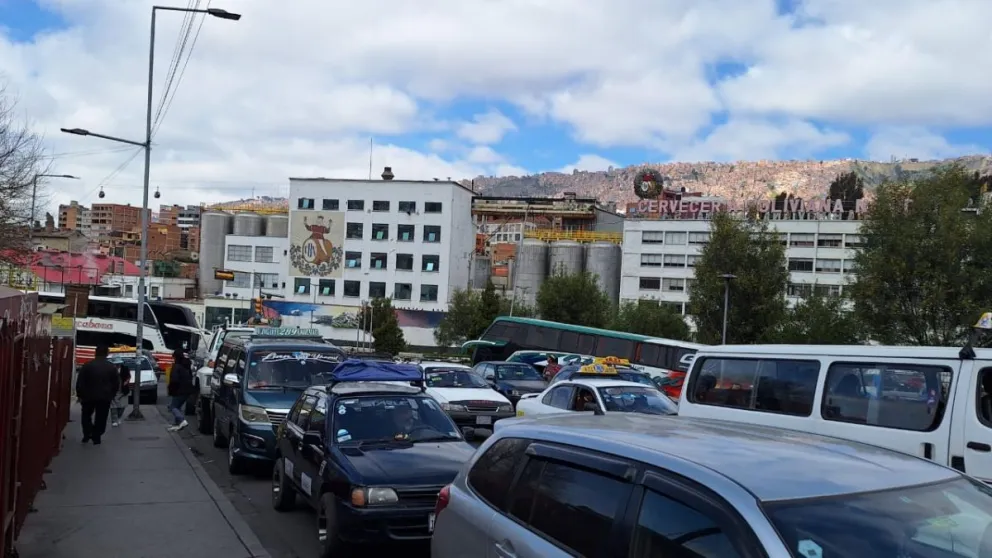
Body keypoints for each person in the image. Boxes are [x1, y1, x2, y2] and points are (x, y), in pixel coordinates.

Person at [75, 345, 120, 444]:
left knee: (86, 415)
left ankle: (87, 433)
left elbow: (80, 382)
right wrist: (112, 395)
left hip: (88, 396)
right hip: (104, 397)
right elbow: (116, 383)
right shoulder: (111, 367)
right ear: (107, 354)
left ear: (95, 353)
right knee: (101, 417)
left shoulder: (87, 365)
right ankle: (97, 436)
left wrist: (80, 395)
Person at [167, 349, 195, 432]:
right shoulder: (186, 365)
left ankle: (182, 420)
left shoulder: (177, 366)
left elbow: (174, 380)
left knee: (173, 407)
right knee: (178, 406)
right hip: (187, 389)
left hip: (179, 390)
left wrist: (171, 389)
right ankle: (177, 424)